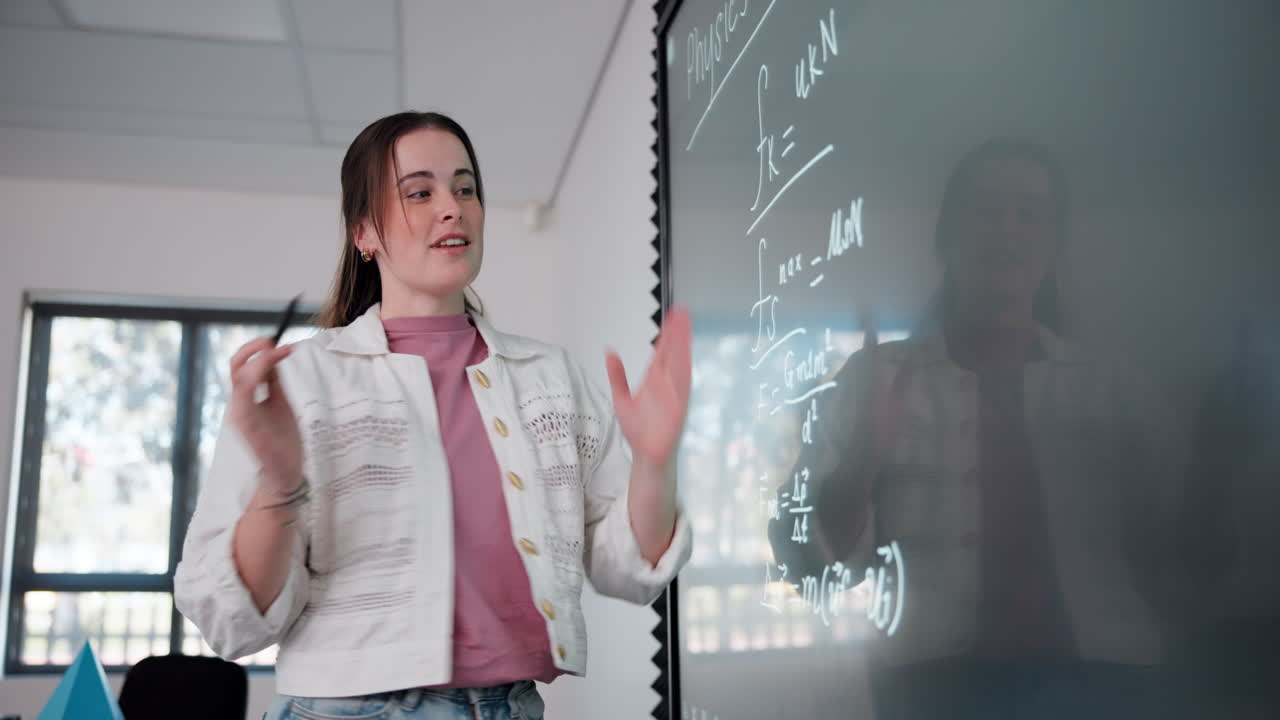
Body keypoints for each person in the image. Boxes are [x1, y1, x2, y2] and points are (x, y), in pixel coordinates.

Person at [175, 111, 693, 719]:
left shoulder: (553, 379)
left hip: (512, 707)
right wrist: (280, 482)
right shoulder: (298, 383)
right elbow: (230, 620)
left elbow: (626, 569)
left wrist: (655, 465)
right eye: (419, 192)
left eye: (465, 188)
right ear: (364, 232)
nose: (453, 208)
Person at [768, 139, 1184, 719]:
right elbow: (806, 568)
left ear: (1053, 247)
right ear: (947, 234)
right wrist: (863, 464)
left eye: (1030, 213)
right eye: (985, 208)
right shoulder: (875, 381)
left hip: (1112, 687)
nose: (1007, 229)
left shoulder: (1115, 388)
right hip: (934, 692)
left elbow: (1187, 559)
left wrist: (1221, 465)